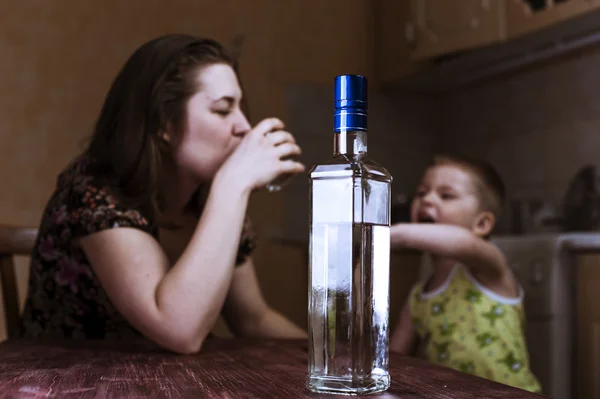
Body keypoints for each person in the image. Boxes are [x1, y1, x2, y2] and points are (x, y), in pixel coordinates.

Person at [19, 34, 307, 353]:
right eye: (224, 110)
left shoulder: (210, 200)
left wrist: (337, 354)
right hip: (67, 379)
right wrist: (233, 184)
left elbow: (253, 318)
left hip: (169, 380)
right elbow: (178, 330)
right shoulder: (94, 189)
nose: (244, 125)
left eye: (241, 108)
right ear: (164, 123)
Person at [389, 153, 541, 393]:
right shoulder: (418, 296)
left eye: (446, 195)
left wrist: (392, 234)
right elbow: (394, 360)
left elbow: (462, 242)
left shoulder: (490, 267)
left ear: (481, 224)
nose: (427, 199)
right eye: (421, 193)